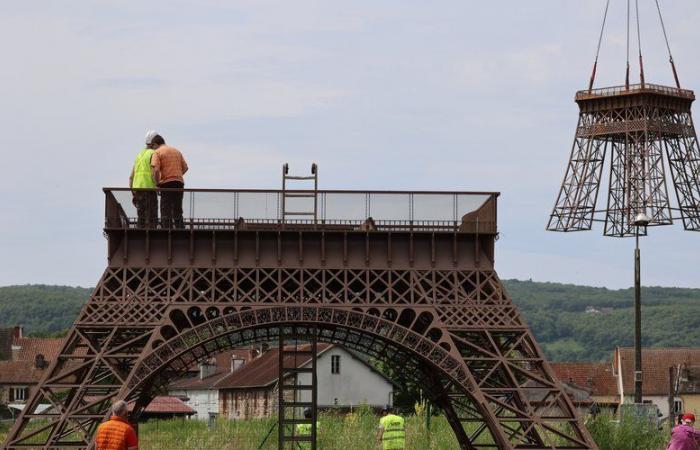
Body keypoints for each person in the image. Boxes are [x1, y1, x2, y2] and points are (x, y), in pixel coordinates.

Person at [149, 133, 188, 228]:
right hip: (179, 183)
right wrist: (176, 175)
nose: (152, 149)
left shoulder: (157, 152)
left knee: (165, 208)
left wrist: (157, 183)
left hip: (166, 184)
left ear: (155, 144)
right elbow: (185, 168)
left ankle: (167, 229)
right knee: (177, 208)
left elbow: (156, 170)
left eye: (152, 146)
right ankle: (180, 228)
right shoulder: (176, 151)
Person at [129, 131, 158, 228]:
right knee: (152, 215)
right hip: (149, 189)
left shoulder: (139, 155)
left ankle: (140, 232)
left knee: (141, 215)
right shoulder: (153, 153)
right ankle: (152, 236)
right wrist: (157, 185)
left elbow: (131, 177)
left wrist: (133, 192)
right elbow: (154, 172)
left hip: (137, 189)